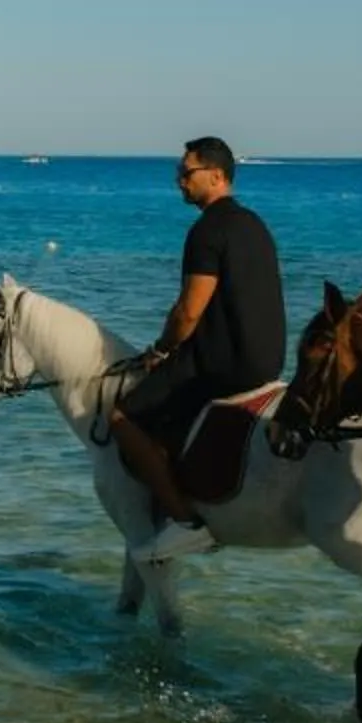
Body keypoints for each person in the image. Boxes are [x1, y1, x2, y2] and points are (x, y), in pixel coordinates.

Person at [105, 136, 286, 557]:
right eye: (178, 175)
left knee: (122, 417)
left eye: (186, 174)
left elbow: (188, 312)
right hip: (271, 359)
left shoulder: (207, 231)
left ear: (217, 176)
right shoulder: (255, 225)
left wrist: (161, 349)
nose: (179, 183)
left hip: (225, 365)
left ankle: (186, 521)